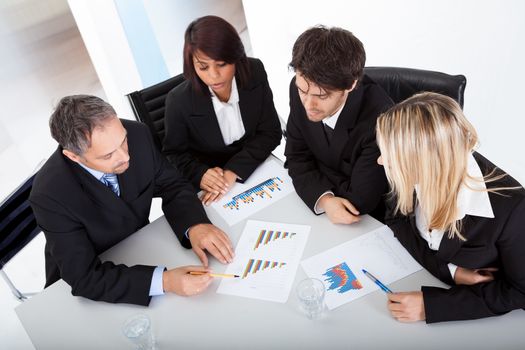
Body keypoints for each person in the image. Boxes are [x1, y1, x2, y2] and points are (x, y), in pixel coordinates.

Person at [30, 95, 235, 306]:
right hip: (88, 287)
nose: (125, 157)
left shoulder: (137, 133)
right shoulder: (49, 195)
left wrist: (194, 225)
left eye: (123, 141)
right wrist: (164, 281)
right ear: (74, 157)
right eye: (108, 155)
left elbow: (171, 185)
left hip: (139, 248)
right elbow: (84, 278)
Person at [376, 92, 525, 323]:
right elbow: (395, 219)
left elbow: (519, 292)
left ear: (423, 160)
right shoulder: (412, 172)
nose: (381, 161)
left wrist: (431, 305)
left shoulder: (513, 208)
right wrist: (453, 272)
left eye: (390, 155)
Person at [163, 15, 282, 206]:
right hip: (212, 185)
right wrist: (200, 174)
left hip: (253, 169)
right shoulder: (179, 101)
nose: (213, 76)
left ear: (236, 57)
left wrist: (233, 171)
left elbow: (271, 132)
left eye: (222, 65)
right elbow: (174, 155)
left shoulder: (255, 71)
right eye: (203, 67)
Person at [285, 26, 393, 224]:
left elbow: (361, 200)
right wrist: (325, 200)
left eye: (322, 96)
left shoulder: (381, 120)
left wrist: (313, 171)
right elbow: (295, 157)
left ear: (351, 85)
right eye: (303, 91)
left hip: (372, 222)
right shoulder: (299, 87)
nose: (308, 105)